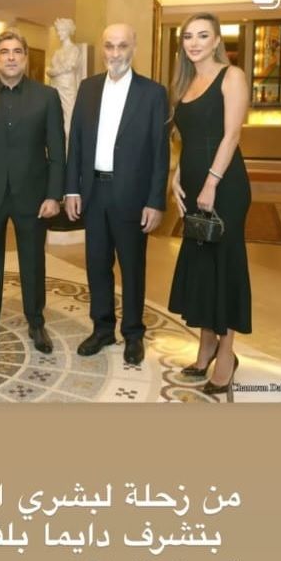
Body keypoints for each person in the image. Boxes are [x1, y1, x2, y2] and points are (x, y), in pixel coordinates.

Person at [64, 23, 168, 365]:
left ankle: (133, 333)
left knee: (132, 268)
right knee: (97, 264)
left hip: (133, 197)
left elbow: (160, 152)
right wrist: (72, 188)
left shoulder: (152, 93)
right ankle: (103, 328)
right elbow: (76, 141)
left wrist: (155, 200)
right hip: (94, 193)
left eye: (122, 46)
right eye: (109, 46)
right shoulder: (88, 88)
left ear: (133, 47)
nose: (115, 53)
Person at [0, 29, 65, 354]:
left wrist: (54, 195)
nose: (11, 57)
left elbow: (57, 151)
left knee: (33, 262)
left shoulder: (47, 96)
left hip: (33, 196)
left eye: (17, 51)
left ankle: (36, 323)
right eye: (4, 52)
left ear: (26, 58)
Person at [168, 12, 252, 397]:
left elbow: (231, 135)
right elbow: (187, 138)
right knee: (201, 266)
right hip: (193, 183)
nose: (194, 43)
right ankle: (205, 348)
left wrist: (211, 182)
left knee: (224, 266)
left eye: (203, 35)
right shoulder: (184, 82)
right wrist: (176, 175)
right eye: (188, 36)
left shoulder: (231, 76)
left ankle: (226, 356)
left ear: (217, 40)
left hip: (225, 185)